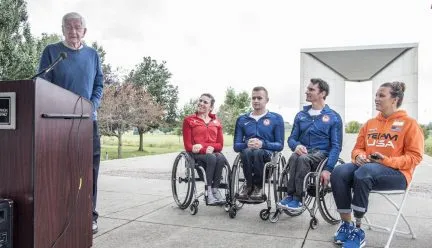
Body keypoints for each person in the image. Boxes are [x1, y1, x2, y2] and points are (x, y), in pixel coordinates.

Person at [330, 81, 424, 248]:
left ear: (394, 99)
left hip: (397, 174)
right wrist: (358, 156)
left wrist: (385, 160)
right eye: (376, 95)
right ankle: (346, 224)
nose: (376, 99)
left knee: (365, 172)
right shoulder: (369, 124)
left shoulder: (410, 124)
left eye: (381, 95)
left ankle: (358, 231)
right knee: (339, 172)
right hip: (367, 169)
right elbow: (358, 148)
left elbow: (415, 157)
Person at [37, 12, 104, 234]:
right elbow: (42, 82)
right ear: (62, 29)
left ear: (85, 31)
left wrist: (93, 105)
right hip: (58, 123)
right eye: (69, 27)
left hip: (88, 122)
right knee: (59, 170)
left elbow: (99, 85)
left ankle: (90, 215)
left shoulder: (93, 55)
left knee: (90, 171)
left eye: (78, 27)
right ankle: (59, 213)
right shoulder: (52, 52)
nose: (73, 32)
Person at [277, 78, 343, 211]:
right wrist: (296, 146)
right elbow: (291, 139)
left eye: (311, 89)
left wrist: (328, 169)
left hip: (321, 154)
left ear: (322, 93)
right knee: (295, 156)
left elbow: (336, 146)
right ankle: (290, 195)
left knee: (302, 158)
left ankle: (299, 198)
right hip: (304, 153)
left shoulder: (333, 117)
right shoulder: (301, 115)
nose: (307, 92)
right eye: (307, 89)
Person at [233, 86, 285, 200]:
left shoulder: (276, 118)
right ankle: (249, 185)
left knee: (258, 153)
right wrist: (247, 143)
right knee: (246, 152)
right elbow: (236, 146)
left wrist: (263, 144)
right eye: (253, 98)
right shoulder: (242, 119)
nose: (256, 100)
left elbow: (280, 145)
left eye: (259, 98)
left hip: (266, 156)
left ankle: (258, 186)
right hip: (247, 155)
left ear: (267, 100)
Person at [182, 93, 226, 205]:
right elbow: (188, 146)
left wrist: (211, 147)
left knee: (221, 158)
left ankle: (215, 190)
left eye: (205, 102)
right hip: (196, 154)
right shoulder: (189, 120)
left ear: (211, 107)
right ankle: (209, 192)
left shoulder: (216, 122)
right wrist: (202, 149)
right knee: (212, 157)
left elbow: (220, 145)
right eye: (200, 101)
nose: (201, 103)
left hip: (211, 152)